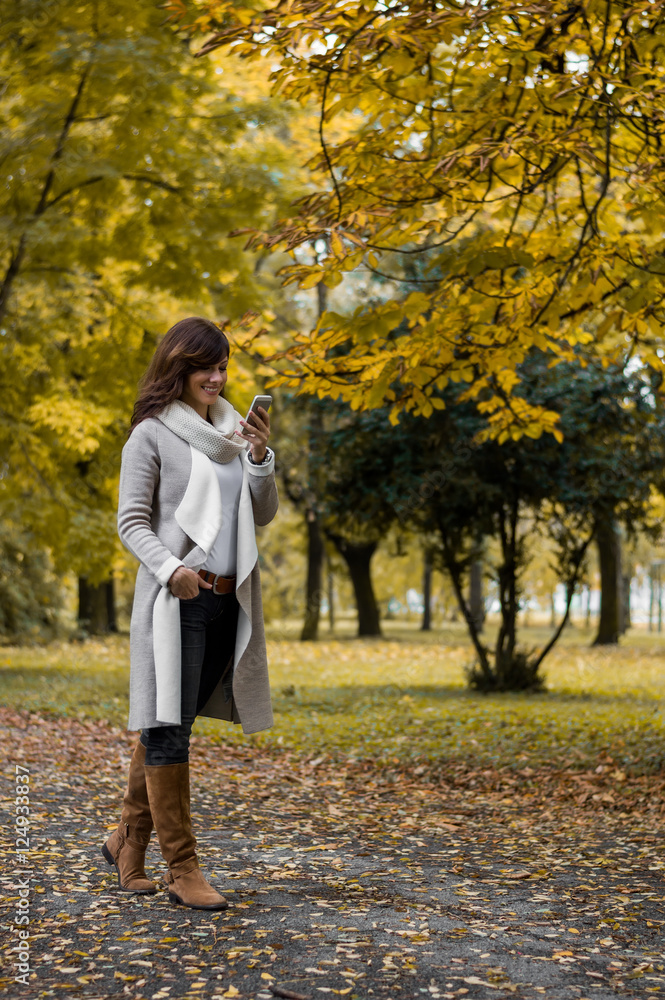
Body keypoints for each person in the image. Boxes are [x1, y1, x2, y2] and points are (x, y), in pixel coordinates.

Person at [101, 316, 278, 910]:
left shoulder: (232, 435)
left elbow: (264, 513)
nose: (218, 376)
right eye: (205, 365)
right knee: (170, 729)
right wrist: (170, 569)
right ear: (178, 368)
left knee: (167, 723)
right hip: (176, 598)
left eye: (223, 365)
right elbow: (131, 522)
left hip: (229, 598)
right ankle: (182, 867)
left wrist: (258, 457)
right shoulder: (150, 435)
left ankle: (127, 838)